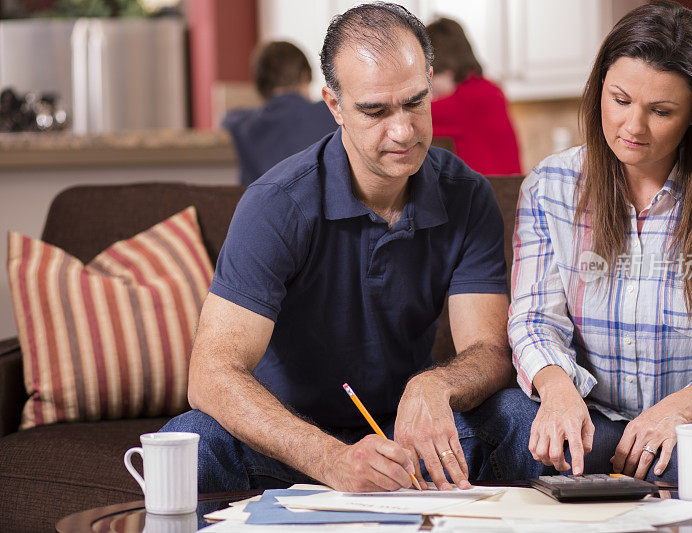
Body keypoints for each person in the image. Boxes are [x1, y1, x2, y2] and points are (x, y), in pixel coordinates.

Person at [162, 2, 534, 493]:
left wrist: (435, 385)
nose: (402, 132)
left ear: (430, 83)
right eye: (375, 111)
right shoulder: (276, 205)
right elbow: (210, 375)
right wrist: (331, 460)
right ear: (334, 106)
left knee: (519, 418)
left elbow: (488, 350)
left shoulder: (468, 195)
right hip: (291, 443)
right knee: (191, 439)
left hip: (409, 441)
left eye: (415, 103)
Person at [508, 0, 692, 483]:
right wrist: (558, 392)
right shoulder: (549, 185)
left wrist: (680, 411)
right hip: (598, 411)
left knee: (681, 466)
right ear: (599, 89)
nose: (633, 127)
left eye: (661, 111)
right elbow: (534, 319)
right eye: (620, 101)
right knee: (540, 448)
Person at [222, 41, 338, 185]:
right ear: (305, 75)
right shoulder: (330, 113)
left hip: (263, 205)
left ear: (260, 86)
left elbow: (229, 118)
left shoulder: (245, 125)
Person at [426, 17, 521, 175]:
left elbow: (413, 116)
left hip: (496, 193)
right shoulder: (487, 89)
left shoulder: (469, 100)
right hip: (505, 191)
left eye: (429, 75)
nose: (428, 86)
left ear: (447, 68)